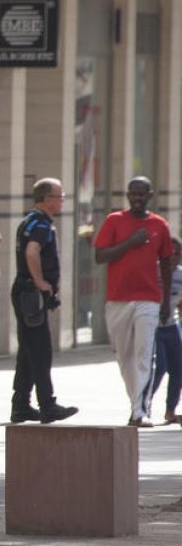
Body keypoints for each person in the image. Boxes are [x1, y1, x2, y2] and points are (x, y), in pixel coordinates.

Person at [94, 177, 174, 427]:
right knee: (124, 355)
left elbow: (167, 265)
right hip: (118, 298)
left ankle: (138, 410)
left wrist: (165, 303)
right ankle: (135, 400)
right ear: (128, 195)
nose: (137, 198)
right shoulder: (114, 221)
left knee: (143, 353)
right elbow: (100, 256)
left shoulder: (159, 225)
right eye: (133, 194)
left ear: (150, 195)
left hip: (148, 299)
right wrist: (130, 243)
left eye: (142, 194)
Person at [10, 177, 77, 424]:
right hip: (30, 293)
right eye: (60, 196)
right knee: (41, 351)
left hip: (25, 293)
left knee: (28, 352)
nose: (62, 201)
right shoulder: (41, 225)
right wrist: (40, 282)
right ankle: (47, 405)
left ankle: (21, 405)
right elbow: (32, 251)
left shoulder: (29, 221)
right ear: (47, 199)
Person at [149, 238, 182, 424]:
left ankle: (170, 410)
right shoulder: (152, 272)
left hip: (171, 327)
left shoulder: (180, 276)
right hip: (152, 328)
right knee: (159, 367)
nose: (172, 259)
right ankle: (145, 405)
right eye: (169, 255)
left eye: (177, 255)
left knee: (178, 369)